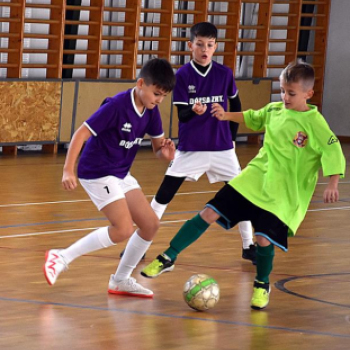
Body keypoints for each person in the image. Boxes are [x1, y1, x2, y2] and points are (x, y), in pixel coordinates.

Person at [141, 60, 346, 310]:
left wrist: (333, 182)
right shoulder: (274, 110)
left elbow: (333, 150)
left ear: (308, 94)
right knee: (209, 211)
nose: (285, 97)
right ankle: (169, 256)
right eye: (282, 91)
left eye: (291, 93)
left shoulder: (315, 123)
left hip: (284, 193)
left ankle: (262, 283)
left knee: (262, 238)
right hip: (254, 179)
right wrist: (225, 115)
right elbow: (253, 117)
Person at [43, 58, 176, 298]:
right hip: (96, 171)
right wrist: (67, 169)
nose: (159, 100)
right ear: (140, 84)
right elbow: (80, 134)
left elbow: (158, 150)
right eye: (156, 93)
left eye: (163, 97)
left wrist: (164, 154)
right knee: (123, 228)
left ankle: (120, 280)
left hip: (120, 172)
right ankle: (61, 257)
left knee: (150, 225)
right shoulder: (116, 106)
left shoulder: (151, 111)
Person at [149, 22, 256, 264]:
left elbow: (236, 108)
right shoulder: (182, 76)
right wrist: (194, 111)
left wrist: (232, 137)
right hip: (191, 149)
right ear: (190, 46)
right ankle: (141, 241)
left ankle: (248, 246)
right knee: (164, 194)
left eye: (209, 45)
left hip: (222, 148)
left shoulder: (225, 74)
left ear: (215, 47)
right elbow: (182, 116)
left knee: (244, 194)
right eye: (199, 45)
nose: (204, 50)